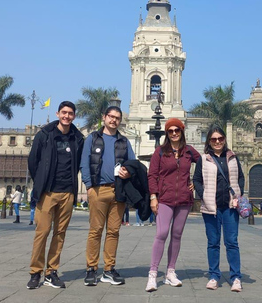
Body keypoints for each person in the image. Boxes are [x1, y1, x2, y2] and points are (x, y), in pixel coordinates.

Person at [26, 101, 84, 290]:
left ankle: (51, 272)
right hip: (48, 192)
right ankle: (35, 272)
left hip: (67, 192)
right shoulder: (45, 135)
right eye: (64, 112)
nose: (67, 116)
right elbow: (33, 161)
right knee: (42, 232)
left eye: (70, 113)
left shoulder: (78, 138)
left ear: (74, 116)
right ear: (58, 113)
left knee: (60, 234)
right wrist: (41, 180)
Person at [81, 106, 136, 286]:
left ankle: (109, 269)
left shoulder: (124, 141)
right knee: (95, 231)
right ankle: (91, 269)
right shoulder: (93, 138)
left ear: (120, 121)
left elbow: (132, 163)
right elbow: (84, 163)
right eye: (111, 117)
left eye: (117, 118)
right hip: (98, 189)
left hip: (118, 190)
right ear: (104, 117)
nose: (113, 120)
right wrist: (89, 187)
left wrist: (128, 173)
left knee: (113, 232)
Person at [146, 118, 200, 292]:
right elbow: (152, 175)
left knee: (176, 235)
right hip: (165, 199)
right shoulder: (160, 152)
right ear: (167, 133)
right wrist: (153, 197)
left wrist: (198, 183)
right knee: (161, 234)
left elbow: (206, 164)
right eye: (171, 131)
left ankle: (170, 272)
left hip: (184, 199)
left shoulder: (189, 152)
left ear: (182, 131)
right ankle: (153, 274)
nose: (174, 133)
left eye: (177, 130)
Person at [193, 126, 245, 292]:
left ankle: (236, 277)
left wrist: (238, 194)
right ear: (209, 141)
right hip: (211, 208)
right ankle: (214, 275)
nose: (217, 142)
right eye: (214, 139)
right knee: (213, 243)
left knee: (232, 243)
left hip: (230, 208)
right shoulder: (204, 158)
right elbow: (197, 180)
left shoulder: (232, 157)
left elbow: (241, 178)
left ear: (224, 139)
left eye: (220, 139)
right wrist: (204, 195)